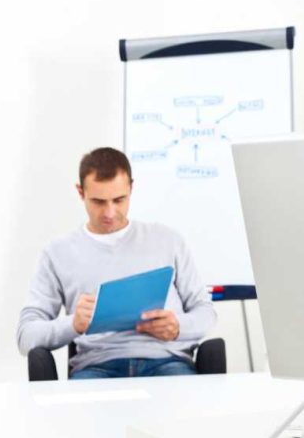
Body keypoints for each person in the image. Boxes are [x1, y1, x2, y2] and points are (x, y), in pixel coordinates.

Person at [16, 147, 216, 379]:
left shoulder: (167, 240)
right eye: (99, 202)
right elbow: (25, 336)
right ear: (80, 192)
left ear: (131, 188)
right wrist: (74, 324)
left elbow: (206, 312)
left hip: (167, 362)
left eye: (119, 200)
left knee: (185, 409)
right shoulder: (58, 253)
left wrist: (178, 327)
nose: (110, 212)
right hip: (97, 366)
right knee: (81, 414)